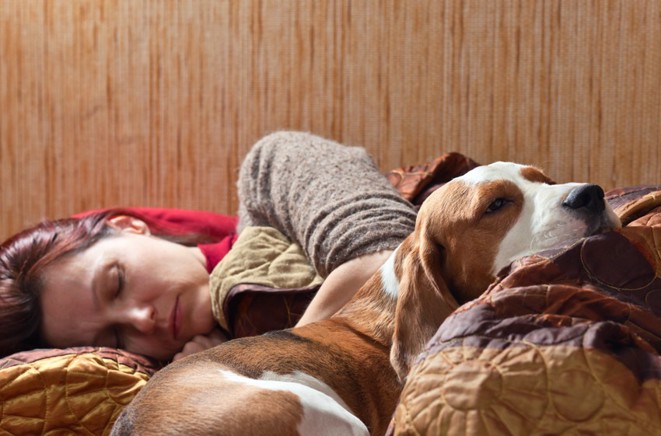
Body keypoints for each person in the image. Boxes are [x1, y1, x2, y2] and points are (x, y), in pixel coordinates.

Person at [0, 132, 417, 362]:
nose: (142, 320)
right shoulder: (180, 381)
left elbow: (391, 258)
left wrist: (247, 370)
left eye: (117, 283)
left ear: (129, 226)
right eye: (115, 337)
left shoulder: (268, 172)